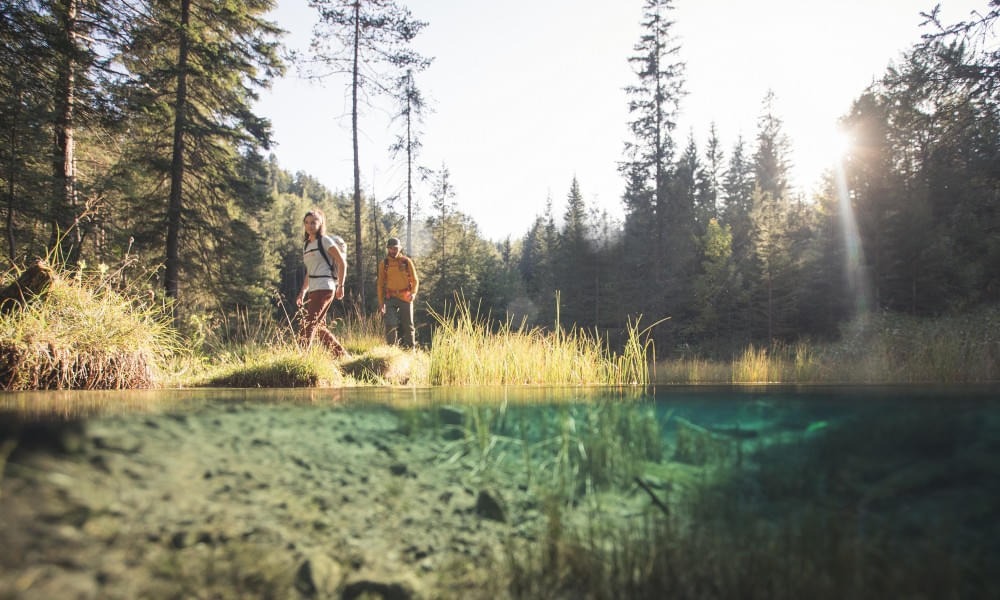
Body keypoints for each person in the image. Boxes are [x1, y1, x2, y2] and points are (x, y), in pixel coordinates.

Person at [296, 209, 348, 357]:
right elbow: (309, 272)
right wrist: (302, 292)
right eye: (307, 222)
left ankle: (301, 357)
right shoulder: (307, 245)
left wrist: (341, 286)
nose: (310, 226)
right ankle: (342, 356)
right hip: (313, 289)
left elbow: (341, 262)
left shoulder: (325, 241)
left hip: (325, 287)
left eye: (313, 222)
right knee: (318, 327)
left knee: (309, 323)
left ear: (320, 223)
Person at [377, 237, 419, 349]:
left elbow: (415, 280)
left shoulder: (406, 261)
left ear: (400, 248)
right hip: (389, 298)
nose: (393, 251)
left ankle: (411, 350)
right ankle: (392, 350)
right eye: (391, 248)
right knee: (390, 324)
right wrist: (381, 303)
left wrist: (413, 293)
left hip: (405, 297)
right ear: (388, 249)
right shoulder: (384, 263)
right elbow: (380, 284)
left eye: (395, 248)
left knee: (408, 325)